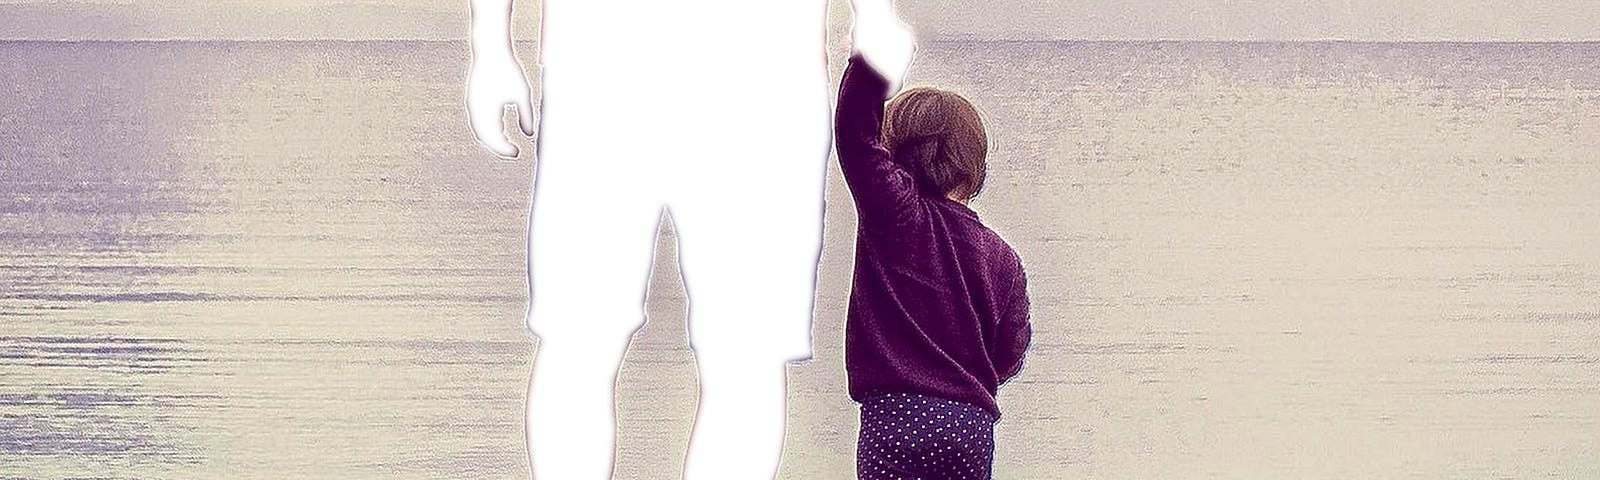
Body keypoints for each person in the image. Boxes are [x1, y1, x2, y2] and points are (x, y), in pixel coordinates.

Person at [835, 20, 1034, 480]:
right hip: (970, 424)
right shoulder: (1002, 257)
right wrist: (964, 380)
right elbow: (1011, 349)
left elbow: (855, 139)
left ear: (896, 154)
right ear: (975, 168)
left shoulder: (899, 217)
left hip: (899, 415)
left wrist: (870, 61)